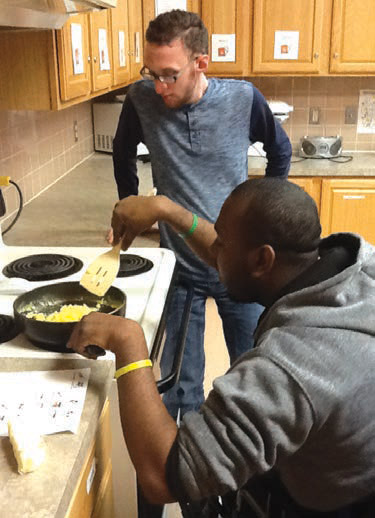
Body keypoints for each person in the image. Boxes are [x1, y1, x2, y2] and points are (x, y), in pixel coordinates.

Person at [69, 178, 375, 517]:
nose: (214, 251)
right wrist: (167, 210)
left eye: (222, 243)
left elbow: (163, 478)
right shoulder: (353, 262)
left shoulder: (292, 366)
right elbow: (233, 260)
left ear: (262, 260)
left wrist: (130, 345)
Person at [112, 9, 292, 422]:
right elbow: (122, 152)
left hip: (240, 270)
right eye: (150, 72)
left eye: (169, 75)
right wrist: (128, 204)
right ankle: (190, 478)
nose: (158, 87)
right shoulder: (141, 99)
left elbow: (280, 151)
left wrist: (266, 210)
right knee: (179, 387)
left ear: (201, 63)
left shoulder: (243, 99)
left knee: (252, 376)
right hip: (179, 270)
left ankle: (251, 476)